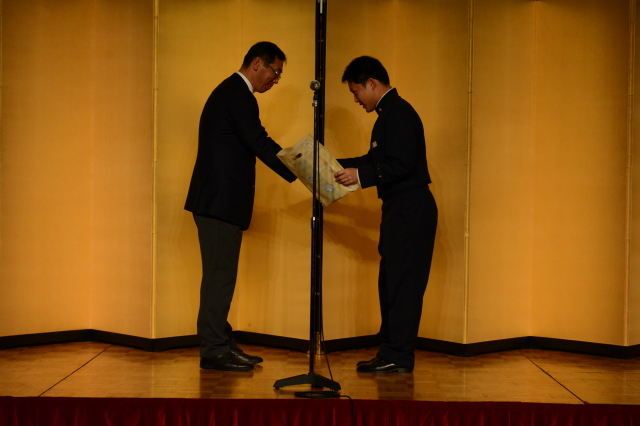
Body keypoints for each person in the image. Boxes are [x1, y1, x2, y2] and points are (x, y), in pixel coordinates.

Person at [185, 42, 297, 371]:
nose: (276, 80)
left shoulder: (231, 92)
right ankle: (214, 350)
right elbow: (258, 141)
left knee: (220, 277)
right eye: (275, 72)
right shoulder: (239, 95)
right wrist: (301, 169)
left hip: (217, 201)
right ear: (258, 63)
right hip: (219, 202)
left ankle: (222, 341)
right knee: (220, 279)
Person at [334, 56, 438, 373]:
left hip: (410, 208)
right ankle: (390, 351)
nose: (356, 99)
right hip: (400, 208)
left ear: (371, 84)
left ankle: (399, 355)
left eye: (356, 91)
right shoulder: (388, 114)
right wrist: (332, 164)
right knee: (391, 282)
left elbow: (401, 165)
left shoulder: (399, 114)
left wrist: (360, 176)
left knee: (403, 286)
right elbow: (374, 159)